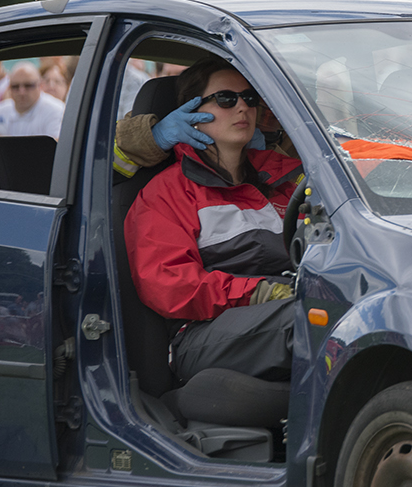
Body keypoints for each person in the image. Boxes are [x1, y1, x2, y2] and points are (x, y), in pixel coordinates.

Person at [124, 58, 303, 386]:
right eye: (225, 99)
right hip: (201, 333)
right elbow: (169, 284)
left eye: (250, 98)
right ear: (191, 115)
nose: (242, 108)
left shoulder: (288, 182)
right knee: (313, 321)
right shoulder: (167, 192)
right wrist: (257, 293)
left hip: (284, 308)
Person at [0, 63, 65, 142]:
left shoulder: (55, 111)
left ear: (40, 86)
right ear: (9, 88)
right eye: (15, 86)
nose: (22, 92)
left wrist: (4, 147)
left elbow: (56, 146)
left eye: (28, 85)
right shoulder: (1, 110)